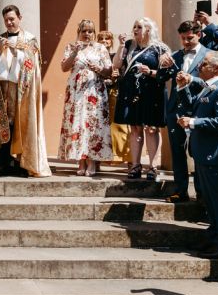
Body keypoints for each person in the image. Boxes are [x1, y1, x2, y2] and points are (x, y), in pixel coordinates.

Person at [175, 51, 218, 259]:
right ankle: (213, 235)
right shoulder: (208, 87)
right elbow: (195, 106)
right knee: (209, 200)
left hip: (215, 153)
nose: (200, 66)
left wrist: (193, 123)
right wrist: (183, 87)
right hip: (203, 151)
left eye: (205, 63)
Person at [0, 5, 50, 177]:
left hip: (22, 90)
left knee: (21, 124)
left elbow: (34, 64)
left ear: (19, 18)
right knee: (4, 124)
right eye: (6, 20)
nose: (9, 23)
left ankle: (21, 163)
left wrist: (16, 50)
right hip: (2, 89)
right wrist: (1, 51)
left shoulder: (30, 40)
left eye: (12, 19)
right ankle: (3, 162)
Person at [112, 17, 170, 180]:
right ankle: (135, 165)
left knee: (151, 128)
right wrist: (121, 46)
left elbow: (166, 74)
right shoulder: (129, 45)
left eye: (139, 27)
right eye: (134, 26)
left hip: (152, 92)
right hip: (131, 91)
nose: (135, 29)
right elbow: (116, 65)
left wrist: (150, 71)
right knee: (135, 127)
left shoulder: (160, 48)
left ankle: (153, 166)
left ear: (148, 30)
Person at [158, 21, 208, 201]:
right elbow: (161, 78)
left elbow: (214, 83)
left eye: (190, 38)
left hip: (199, 109)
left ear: (199, 35)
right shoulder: (176, 55)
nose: (186, 42)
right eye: (183, 39)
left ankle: (202, 192)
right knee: (177, 152)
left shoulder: (209, 55)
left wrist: (191, 80)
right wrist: (163, 66)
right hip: (176, 111)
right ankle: (181, 190)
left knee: (199, 152)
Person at [58, 19, 112, 176]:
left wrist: (100, 69)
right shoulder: (71, 46)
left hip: (95, 92)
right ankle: (80, 161)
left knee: (93, 125)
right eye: (84, 31)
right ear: (79, 32)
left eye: (90, 31)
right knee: (78, 124)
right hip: (76, 92)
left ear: (94, 33)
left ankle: (92, 161)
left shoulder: (100, 48)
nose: (87, 34)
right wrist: (75, 52)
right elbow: (64, 67)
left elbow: (109, 71)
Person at [99, 31, 131, 165]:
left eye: (107, 39)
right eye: (101, 39)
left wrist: (115, 77)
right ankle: (104, 157)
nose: (104, 41)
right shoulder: (95, 57)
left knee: (119, 125)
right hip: (98, 95)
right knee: (101, 127)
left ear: (111, 42)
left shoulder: (115, 56)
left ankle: (125, 156)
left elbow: (123, 72)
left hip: (114, 93)